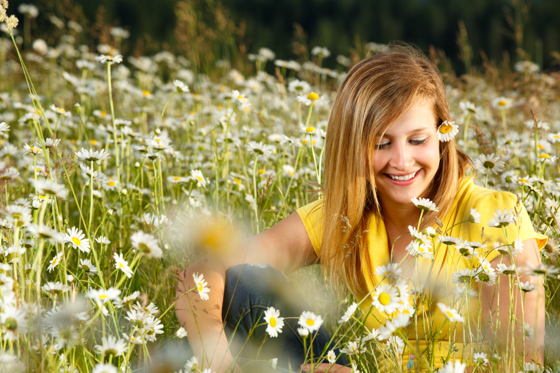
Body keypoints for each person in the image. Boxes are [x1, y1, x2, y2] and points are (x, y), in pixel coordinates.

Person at [175, 45, 546, 372]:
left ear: (442, 136)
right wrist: (224, 365)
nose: (402, 161)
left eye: (418, 140)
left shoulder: (496, 219)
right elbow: (202, 272)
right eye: (381, 144)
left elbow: (520, 363)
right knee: (244, 281)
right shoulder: (343, 215)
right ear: (353, 147)